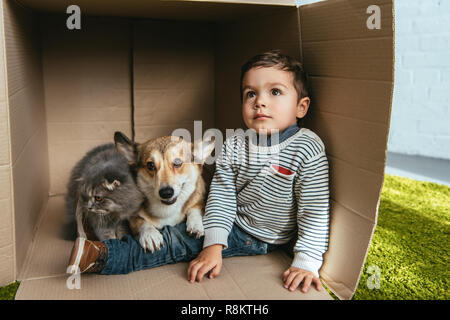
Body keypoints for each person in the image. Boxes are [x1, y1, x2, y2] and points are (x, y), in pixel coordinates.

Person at [67, 50, 329, 294]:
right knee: (186, 230)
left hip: (260, 235)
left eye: (274, 92)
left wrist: (306, 261)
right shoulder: (235, 144)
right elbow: (222, 196)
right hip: (227, 220)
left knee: (176, 243)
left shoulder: (306, 147)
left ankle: (105, 256)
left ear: (301, 107)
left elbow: (314, 209)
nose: (260, 101)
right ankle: (103, 231)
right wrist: (214, 242)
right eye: (250, 93)